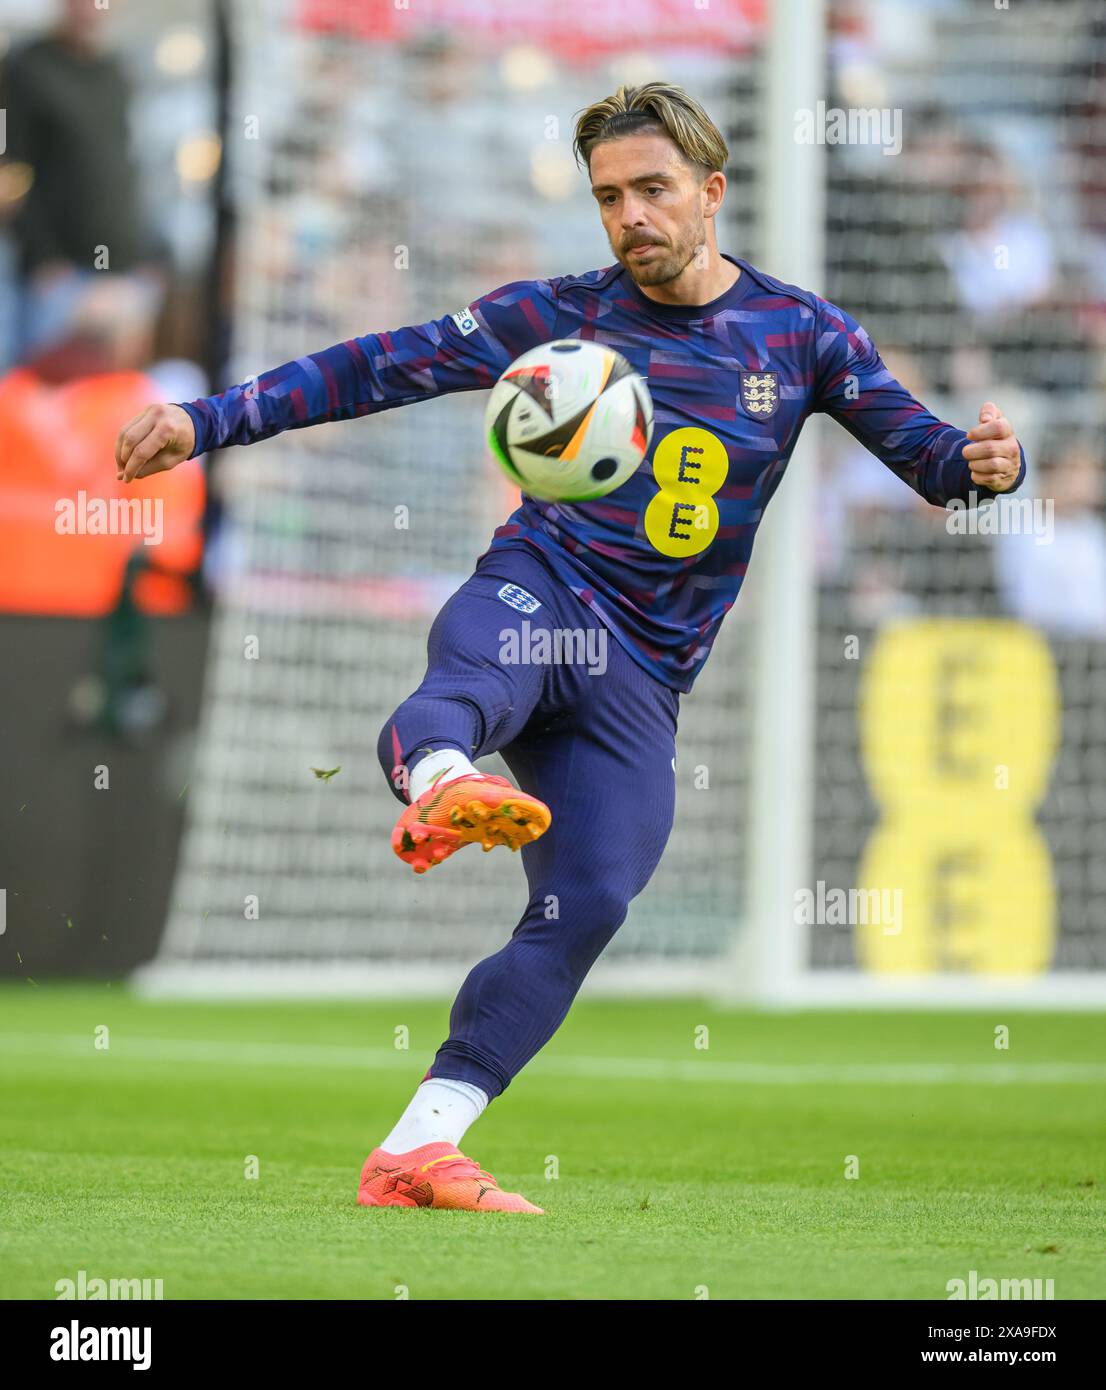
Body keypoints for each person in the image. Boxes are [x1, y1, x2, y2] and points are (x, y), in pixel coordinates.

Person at [113, 83, 1026, 1215]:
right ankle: (443, 781)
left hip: (645, 677)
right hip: (543, 587)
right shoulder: (562, 314)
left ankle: (417, 1145)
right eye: (607, 197)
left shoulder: (802, 335)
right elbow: (377, 364)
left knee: (589, 897)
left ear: (710, 191)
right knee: (469, 687)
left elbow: (929, 457)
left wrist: (988, 463)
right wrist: (208, 420)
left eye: (651, 189)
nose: (630, 216)